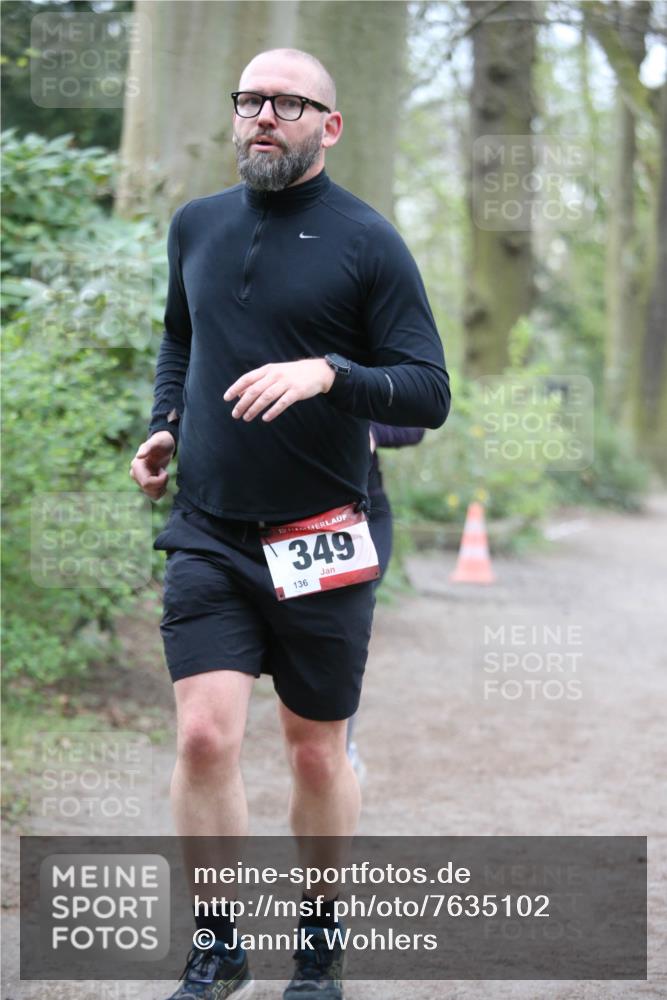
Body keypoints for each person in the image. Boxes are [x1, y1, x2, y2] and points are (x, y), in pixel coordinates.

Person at [130, 47, 450, 1000]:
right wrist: (164, 425)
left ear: (329, 125)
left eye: (287, 103)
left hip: (323, 533)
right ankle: (219, 943)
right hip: (211, 531)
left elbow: (428, 392)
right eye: (250, 100)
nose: (264, 115)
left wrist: (328, 373)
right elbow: (179, 334)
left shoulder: (368, 241)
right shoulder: (196, 225)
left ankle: (318, 942)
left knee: (313, 748)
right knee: (202, 737)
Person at [346, 423, 426, 778]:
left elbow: (417, 420)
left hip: (358, 512)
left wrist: (372, 431)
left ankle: (341, 748)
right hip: (265, 514)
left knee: (340, 635)